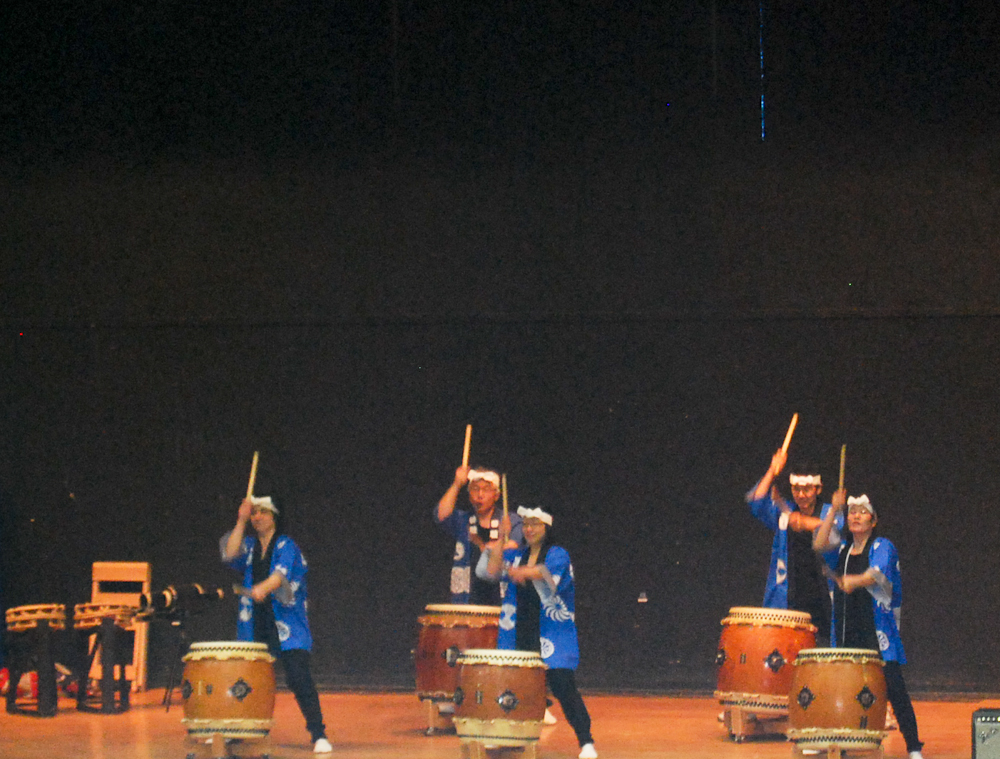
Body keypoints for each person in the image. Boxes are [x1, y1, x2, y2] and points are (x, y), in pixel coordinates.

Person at [477, 506, 598, 759]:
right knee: (512, 687)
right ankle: (508, 737)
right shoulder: (517, 554)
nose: (529, 529)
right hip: (519, 628)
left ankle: (586, 742)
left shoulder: (558, 554)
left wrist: (523, 572)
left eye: (535, 524)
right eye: (526, 524)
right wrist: (501, 540)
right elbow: (491, 570)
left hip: (551, 631)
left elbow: (547, 575)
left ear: (547, 528)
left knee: (563, 686)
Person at [814, 490, 924, 759]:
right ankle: (838, 742)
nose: (856, 516)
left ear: (873, 521)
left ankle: (913, 746)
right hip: (846, 628)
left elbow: (876, 574)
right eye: (852, 512)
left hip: (876, 631)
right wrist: (833, 510)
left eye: (863, 512)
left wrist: (854, 580)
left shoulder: (882, 546)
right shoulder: (843, 550)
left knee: (894, 688)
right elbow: (818, 545)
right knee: (842, 689)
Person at [221, 495, 332, 754]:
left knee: (298, 678)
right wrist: (240, 520)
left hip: (287, 624)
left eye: (263, 512)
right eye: (254, 512)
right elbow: (229, 554)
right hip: (255, 623)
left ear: (275, 516)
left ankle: (318, 733)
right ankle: (239, 730)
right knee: (247, 680)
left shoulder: (286, 545)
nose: (257, 517)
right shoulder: (250, 546)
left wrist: (263, 587)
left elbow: (279, 576)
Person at [746, 449, 843, 643]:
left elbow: (832, 533)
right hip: (788, 600)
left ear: (818, 489)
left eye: (807, 489)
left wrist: (801, 521)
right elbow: (756, 501)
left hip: (825, 603)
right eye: (796, 489)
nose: (801, 495)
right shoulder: (786, 514)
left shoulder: (831, 513)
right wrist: (772, 470)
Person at [435, 466, 524, 605]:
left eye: (486, 489)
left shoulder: (510, 520)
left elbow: (513, 546)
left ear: (496, 495)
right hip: (467, 600)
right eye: (475, 489)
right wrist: (457, 484)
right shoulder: (463, 520)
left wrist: (490, 543)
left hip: (502, 602)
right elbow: (441, 515)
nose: (480, 495)